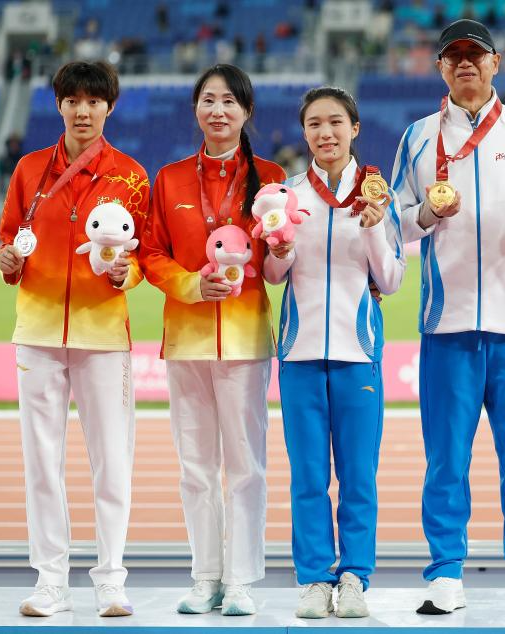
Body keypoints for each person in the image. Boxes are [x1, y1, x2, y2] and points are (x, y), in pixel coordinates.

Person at [391, 18, 505, 616]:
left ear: (496, 63)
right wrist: (426, 216)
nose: (465, 62)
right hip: (447, 323)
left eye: (476, 53)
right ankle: (445, 573)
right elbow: (394, 221)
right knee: (446, 460)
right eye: (453, 55)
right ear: (440, 67)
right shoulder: (418, 136)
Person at [0, 60, 149, 618]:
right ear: (58, 105)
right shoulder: (29, 169)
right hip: (38, 331)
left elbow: (145, 254)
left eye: (93, 101)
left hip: (103, 333)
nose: (83, 111)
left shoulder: (132, 176)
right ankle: (50, 581)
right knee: (41, 460)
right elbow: (10, 239)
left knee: (112, 460)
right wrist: (9, 261)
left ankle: (110, 578)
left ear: (110, 107)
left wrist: (127, 274)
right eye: (72, 100)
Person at [139, 64, 286, 617]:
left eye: (229, 101)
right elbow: (150, 253)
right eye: (208, 100)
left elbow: (276, 255)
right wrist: (190, 285)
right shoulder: (170, 178)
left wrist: (281, 251)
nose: (218, 110)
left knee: (246, 464)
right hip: (187, 337)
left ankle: (241, 578)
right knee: (196, 466)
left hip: (245, 339)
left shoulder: (270, 176)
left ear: (246, 111)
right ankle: (206, 577)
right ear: (195, 109)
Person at [262, 86, 405, 619]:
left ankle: (354, 577)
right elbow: (272, 274)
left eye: (336, 122)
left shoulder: (377, 195)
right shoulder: (285, 195)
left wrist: (373, 229)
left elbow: (391, 280)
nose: (326, 133)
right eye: (315, 124)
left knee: (358, 476)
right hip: (299, 353)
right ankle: (315, 578)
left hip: (357, 351)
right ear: (304, 133)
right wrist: (281, 251)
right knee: (308, 477)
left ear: (354, 128)